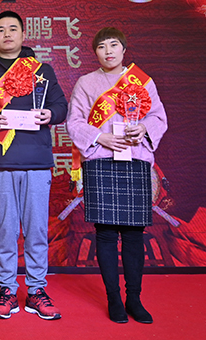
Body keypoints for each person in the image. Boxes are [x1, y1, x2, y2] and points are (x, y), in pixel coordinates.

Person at [0, 10, 67, 321]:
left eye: (13, 29)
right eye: (1, 29)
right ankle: (7, 290)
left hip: (36, 160)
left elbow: (60, 106)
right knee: (5, 229)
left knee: (37, 230)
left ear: (24, 35)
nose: (7, 34)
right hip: (0, 160)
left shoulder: (42, 70)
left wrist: (50, 115)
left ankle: (36, 290)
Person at [66, 27, 167, 324]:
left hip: (135, 160)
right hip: (101, 162)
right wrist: (100, 137)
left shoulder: (142, 81)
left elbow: (158, 117)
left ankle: (134, 298)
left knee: (134, 233)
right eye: (101, 46)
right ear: (95, 52)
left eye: (113, 45)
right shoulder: (86, 83)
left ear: (124, 49)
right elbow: (74, 122)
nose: (108, 51)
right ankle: (113, 299)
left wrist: (144, 128)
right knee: (106, 233)